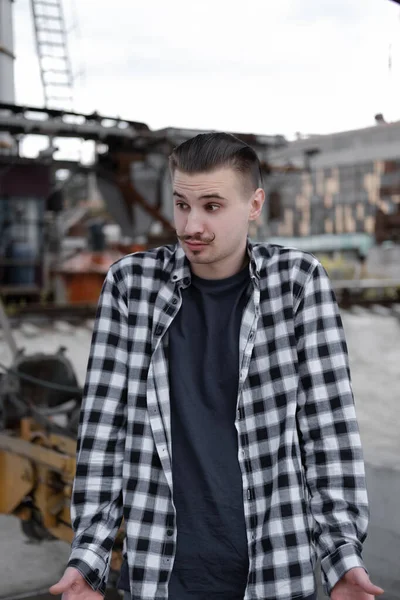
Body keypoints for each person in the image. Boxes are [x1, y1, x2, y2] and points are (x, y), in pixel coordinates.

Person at [50, 133, 384, 600]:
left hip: (275, 575)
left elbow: (329, 434)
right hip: (158, 577)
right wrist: (89, 560)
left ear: (254, 204)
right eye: (181, 205)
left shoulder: (299, 283)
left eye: (212, 206)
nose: (192, 225)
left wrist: (341, 557)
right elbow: (104, 432)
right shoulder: (131, 286)